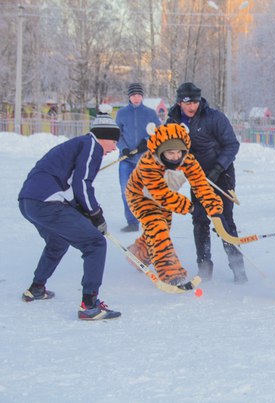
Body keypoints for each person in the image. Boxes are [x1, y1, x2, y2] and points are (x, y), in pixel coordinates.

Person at [18, 104, 121, 321]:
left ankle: (36, 288)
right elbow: (82, 183)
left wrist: (84, 211)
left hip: (29, 202)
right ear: (103, 137)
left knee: (58, 242)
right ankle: (90, 305)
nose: (114, 149)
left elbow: (69, 186)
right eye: (114, 142)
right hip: (47, 202)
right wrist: (96, 214)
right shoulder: (92, 145)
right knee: (95, 244)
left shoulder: (78, 144)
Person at [166, 82, 247, 283]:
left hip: (221, 175)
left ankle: (238, 269)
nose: (192, 106)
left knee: (224, 220)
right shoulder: (172, 122)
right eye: (187, 102)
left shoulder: (214, 118)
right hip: (197, 178)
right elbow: (165, 146)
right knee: (200, 220)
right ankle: (204, 266)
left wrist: (217, 169)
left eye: (195, 101)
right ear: (179, 102)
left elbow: (232, 145)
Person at [125, 123, 224, 285]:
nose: (176, 157)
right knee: (157, 228)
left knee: (157, 233)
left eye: (179, 152)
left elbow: (201, 184)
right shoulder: (148, 162)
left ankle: (137, 255)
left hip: (167, 199)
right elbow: (161, 194)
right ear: (160, 151)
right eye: (170, 153)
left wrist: (213, 207)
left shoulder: (187, 160)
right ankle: (170, 273)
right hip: (141, 197)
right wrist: (192, 208)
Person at [115, 82, 162, 233]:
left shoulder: (150, 113)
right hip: (126, 159)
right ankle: (132, 222)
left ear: (142, 96)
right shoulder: (121, 113)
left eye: (139, 95)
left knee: (148, 190)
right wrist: (124, 148)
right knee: (126, 190)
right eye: (134, 95)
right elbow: (117, 134)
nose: (136, 98)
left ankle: (150, 218)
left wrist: (147, 143)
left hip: (145, 159)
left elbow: (158, 133)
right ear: (129, 97)